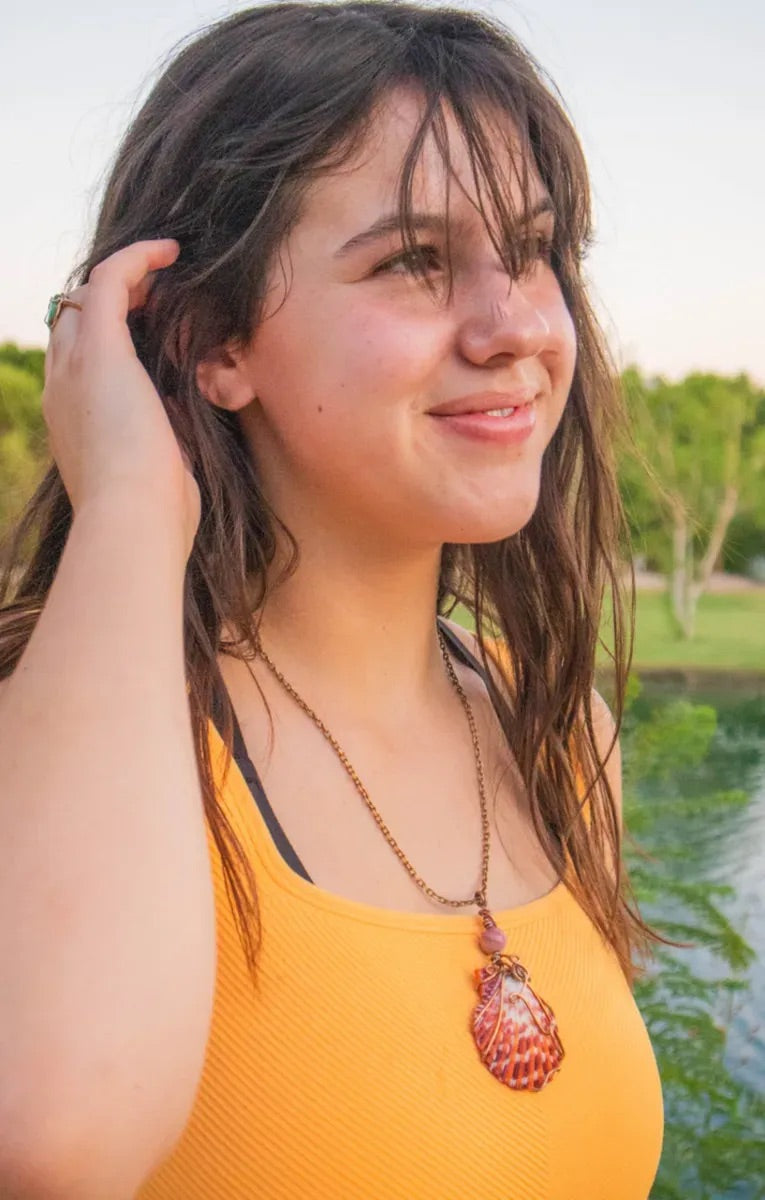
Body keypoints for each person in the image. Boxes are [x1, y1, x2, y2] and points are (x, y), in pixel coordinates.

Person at [0, 3, 665, 1197]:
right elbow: (60, 1146)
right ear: (214, 340)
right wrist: (135, 508)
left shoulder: (563, 744)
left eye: (536, 250)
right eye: (415, 261)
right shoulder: (49, 745)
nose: (512, 324)